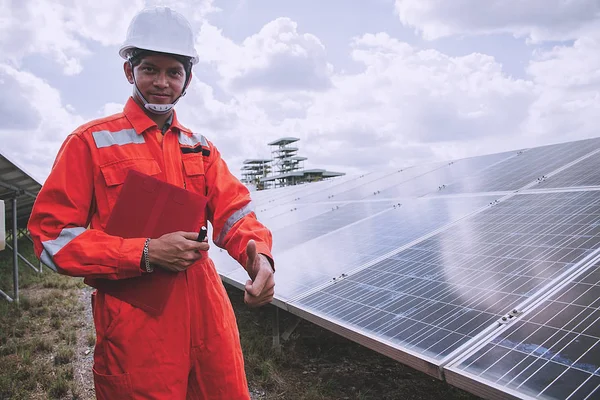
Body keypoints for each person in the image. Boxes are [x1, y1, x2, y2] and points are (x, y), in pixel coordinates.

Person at [28, 6, 275, 400]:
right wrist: (143, 252)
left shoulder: (201, 149)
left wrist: (259, 258)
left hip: (209, 317)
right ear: (130, 71)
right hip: (137, 324)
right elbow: (51, 235)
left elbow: (235, 214)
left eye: (173, 72)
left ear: (187, 79)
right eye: (150, 69)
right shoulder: (89, 143)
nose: (162, 82)